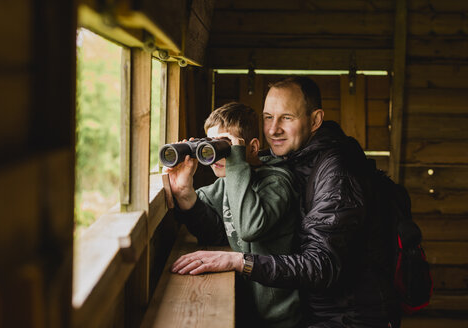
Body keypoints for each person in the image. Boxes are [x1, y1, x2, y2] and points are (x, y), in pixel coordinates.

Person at [172, 77, 401, 328]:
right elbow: (233, 231)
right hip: (314, 311)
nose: (273, 129)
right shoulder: (290, 159)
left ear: (315, 120)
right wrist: (185, 193)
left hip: (347, 317)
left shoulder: (338, 173)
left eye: (287, 118)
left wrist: (240, 262)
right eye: (268, 117)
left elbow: (320, 266)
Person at [166, 102, 303, 328]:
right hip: (245, 308)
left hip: (278, 318)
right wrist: (184, 193)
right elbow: (213, 231)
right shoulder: (226, 183)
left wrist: (236, 163)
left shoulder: (277, 182)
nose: (216, 154)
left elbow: (250, 228)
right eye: (210, 145)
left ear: (251, 147)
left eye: (225, 145)